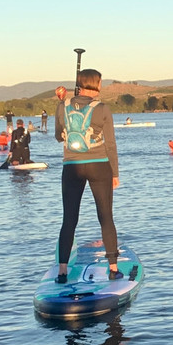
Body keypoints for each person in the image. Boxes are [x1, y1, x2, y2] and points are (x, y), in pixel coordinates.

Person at [54, 68, 120, 284]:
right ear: (95, 84)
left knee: (69, 219)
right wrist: (115, 173)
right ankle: (112, 268)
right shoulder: (102, 109)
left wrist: (62, 102)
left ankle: (62, 271)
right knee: (105, 217)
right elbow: (110, 144)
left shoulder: (62, 106)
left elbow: (57, 137)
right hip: (99, 166)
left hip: (71, 166)